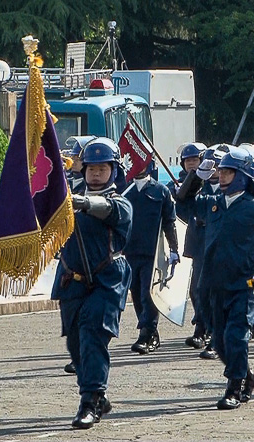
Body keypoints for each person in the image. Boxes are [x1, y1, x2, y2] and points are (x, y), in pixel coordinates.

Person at [178, 146, 254, 410]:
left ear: (243, 176)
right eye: (221, 171)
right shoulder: (211, 203)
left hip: (243, 284)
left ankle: (234, 387)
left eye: (229, 172)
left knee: (237, 336)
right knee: (220, 341)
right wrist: (197, 176)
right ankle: (246, 377)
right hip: (213, 283)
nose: (223, 175)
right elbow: (183, 203)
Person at [52, 138, 133, 429]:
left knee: (92, 333)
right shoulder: (65, 197)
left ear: (114, 170)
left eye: (102, 168)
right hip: (71, 279)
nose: (96, 174)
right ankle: (97, 393)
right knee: (75, 344)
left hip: (107, 278)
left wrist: (82, 202)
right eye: (91, 168)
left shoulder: (121, 201)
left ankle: (90, 399)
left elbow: (109, 210)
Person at [124, 161, 179, 355]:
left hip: (152, 253)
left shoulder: (161, 191)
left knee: (149, 294)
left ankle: (147, 333)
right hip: (129, 252)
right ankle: (149, 330)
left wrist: (174, 248)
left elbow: (170, 222)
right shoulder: (125, 190)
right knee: (137, 293)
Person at [170, 142, 219, 359]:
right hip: (200, 245)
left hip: (223, 247)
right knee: (198, 290)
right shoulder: (196, 186)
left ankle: (214, 333)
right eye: (187, 161)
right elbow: (183, 203)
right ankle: (201, 329)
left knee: (218, 292)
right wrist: (194, 178)